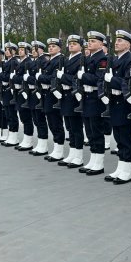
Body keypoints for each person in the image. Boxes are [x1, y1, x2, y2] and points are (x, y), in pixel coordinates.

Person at [103, 30, 131, 184]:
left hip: (124, 103)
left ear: (128, 45)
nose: (116, 43)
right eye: (116, 40)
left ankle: (126, 171)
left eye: (120, 41)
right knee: (118, 137)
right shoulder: (115, 59)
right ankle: (120, 167)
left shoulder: (129, 60)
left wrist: (112, 80)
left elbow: (127, 82)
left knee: (125, 137)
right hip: (114, 101)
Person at [79, 31, 109, 175]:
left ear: (101, 44)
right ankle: (93, 159)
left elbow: (99, 79)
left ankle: (99, 163)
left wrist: (83, 76)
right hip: (86, 97)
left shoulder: (102, 59)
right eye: (89, 41)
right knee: (89, 131)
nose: (89, 43)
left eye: (93, 41)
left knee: (96, 131)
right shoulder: (88, 58)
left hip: (95, 99)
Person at [58, 35, 86, 168]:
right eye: (70, 43)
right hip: (65, 96)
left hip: (74, 96)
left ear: (81, 45)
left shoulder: (81, 59)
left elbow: (77, 79)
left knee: (76, 127)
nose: (71, 45)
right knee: (69, 126)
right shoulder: (66, 59)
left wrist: (62, 77)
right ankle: (72, 152)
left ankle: (79, 156)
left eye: (74, 43)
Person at [40, 38, 67, 161]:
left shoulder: (60, 60)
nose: (50, 48)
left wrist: (41, 77)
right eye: (49, 46)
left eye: (53, 46)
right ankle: (56, 148)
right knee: (51, 121)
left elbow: (53, 78)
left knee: (56, 123)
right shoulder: (50, 60)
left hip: (54, 94)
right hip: (47, 94)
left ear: (59, 48)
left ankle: (59, 149)